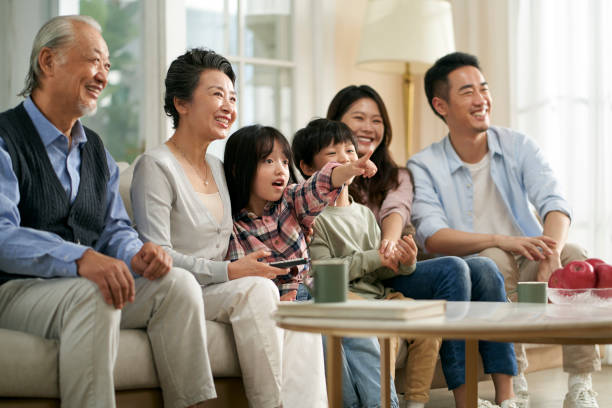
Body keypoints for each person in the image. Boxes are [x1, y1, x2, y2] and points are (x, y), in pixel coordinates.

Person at [0, 15, 211, 408]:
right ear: (47, 61)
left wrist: (136, 253)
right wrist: (81, 258)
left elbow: (114, 227)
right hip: (15, 289)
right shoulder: (5, 138)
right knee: (94, 294)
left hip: (80, 286)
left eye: (108, 66)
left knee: (178, 287)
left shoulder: (95, 149)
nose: (103, 75)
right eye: (94, 61)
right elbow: (2, 235)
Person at [130, 48, 327, 408]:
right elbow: (156, 256)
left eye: (232, 97)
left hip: (219, 288)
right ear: (182, 103)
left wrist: (301, 225)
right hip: (180, 293)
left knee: (296, 312)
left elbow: (260, 214)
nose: (228, 106)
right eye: (217, 94)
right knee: (257, 291)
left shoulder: (219, 168)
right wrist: (229, 270)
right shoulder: (155, 167)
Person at [409, 51, 600, 408]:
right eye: (467, 92)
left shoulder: (517, 144)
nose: (482, 99)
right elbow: (432, 235)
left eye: (483, 88)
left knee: (575, 254)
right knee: (493, 258)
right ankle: (516, 381)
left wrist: (553, 253)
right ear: (441, 105)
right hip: (479, 269)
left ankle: (580, 383)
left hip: (528, 257)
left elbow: (555, 203)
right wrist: (500, 239)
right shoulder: (424, 165)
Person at [327, 85, 520, 408]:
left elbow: (396, 210)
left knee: (485, 267)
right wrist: (382, 253)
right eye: (358, 117)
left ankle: (507, 396)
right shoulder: (324, 177)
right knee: (454, 267)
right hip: (365, 276)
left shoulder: (397, 174)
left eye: (377, 120)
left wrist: (389, 245)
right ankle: (465, 399)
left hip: (394, 265)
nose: (368, 126)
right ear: (337, 123)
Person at [223, 122, 397, 408]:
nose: (280, 168)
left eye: (283, 160)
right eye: (268, 161)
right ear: (238, 169)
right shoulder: (232, 226)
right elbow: (240, 275)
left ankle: (385, 405)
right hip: (281, 301)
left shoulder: (292, 200)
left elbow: (321, 183)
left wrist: (349, 169)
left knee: (357, 325)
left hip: (313, 285)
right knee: (326, 342)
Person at [292, 118, 439, 408]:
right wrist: (376, 257)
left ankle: (417, 402)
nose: (346, 159)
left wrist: (404, 261)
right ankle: (383, 402)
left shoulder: (362, 213)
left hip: (381, 295)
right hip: (350, 298)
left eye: (349, 151)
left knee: (428, 324)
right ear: (308, 168)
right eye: (333, 154)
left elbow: (381, 268)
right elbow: (323, 276)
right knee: (384, 336)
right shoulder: (313, 219)